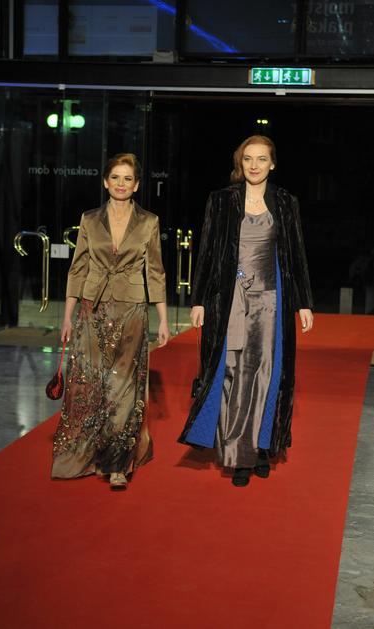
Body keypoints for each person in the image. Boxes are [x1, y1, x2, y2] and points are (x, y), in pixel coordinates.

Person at [178, 135, 313, 487]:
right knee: (233, 374)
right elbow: (208, 251)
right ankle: (240, 455)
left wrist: (303, 303)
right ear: (240, 162)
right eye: (248, 158)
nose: (254, 165)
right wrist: (199, 299)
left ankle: (262, 447)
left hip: (272, 303)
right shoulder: (222, 200)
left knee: (268, 374)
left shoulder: (285, 202)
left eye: (261, 159)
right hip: (230, 301)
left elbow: (296, 254)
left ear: (273, 163)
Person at [52, 153, 169, 490]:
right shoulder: (90, 219)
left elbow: (155, 271)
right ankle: (88, 454)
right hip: (92, 308)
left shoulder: (148, 222)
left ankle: (118, 463)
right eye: (115, 177)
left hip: (132, 310)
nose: (121, 184)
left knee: (123, 385)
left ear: (137, 185)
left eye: (127, 178)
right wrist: (67, 316)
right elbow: (78, 268)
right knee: (89, 382)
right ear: (105, 182)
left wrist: (163, 319)